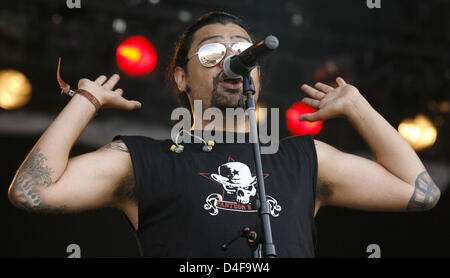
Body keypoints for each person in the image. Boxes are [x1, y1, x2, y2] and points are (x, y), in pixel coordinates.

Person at [8, 12, 440, 258]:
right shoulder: (144, 160)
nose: (232, 58)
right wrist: (85, 102)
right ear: (182, 77)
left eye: (241, 51)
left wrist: (358, 106)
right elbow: (31, 191)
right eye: (214, 51)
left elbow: (419, 192)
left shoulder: (306, 158)